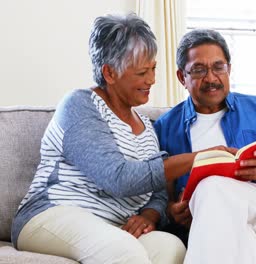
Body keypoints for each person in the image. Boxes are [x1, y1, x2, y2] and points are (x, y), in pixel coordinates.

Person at [11, 13, 198, 264]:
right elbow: (117, 177)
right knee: (123, 251)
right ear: (109, 73)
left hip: (115, 226)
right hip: (52, 213)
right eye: (142, 72)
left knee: (171, 248)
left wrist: (150, 215)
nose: (152, 80)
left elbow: (158, 192)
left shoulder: (147, 126)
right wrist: (195, 159)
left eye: (153, 68)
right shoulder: (79, 106)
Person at [154, 29, 256, 264]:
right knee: (234, 230)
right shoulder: (166, 127)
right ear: (181, 77)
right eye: (199, 70)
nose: (211, 78)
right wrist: (173, 212)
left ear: (229, 69)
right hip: (209, 221)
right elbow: (164, 199)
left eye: (218, 67)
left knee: (211, 187)